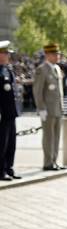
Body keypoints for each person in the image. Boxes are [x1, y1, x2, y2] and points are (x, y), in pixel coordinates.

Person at [32, 43, 66, 170]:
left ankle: (54, 161)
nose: (57, 56)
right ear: (47, 55)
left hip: (57, 108)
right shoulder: (42, 69)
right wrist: (41, 109)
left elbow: (59, 91)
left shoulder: (56, 68)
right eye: (54, 54)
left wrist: (61, 107)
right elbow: (38, 91)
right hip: (47, 109)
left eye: (58, 54)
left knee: (56, 136)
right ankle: (47, 162)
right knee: (48, 137)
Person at [0, 41, 21, 181]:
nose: (8, 55)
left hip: (10, 113)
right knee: (1, 143)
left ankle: (9, 168)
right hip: (2, 113)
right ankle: (1, 171)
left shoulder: (8, 70)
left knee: (11, 143)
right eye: (6, 53)